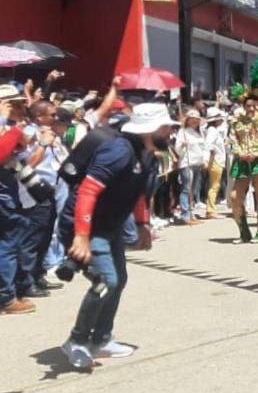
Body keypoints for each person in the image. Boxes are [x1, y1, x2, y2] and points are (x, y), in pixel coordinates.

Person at [59, 103, 175, 368]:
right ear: (152, 129)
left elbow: (137, 193)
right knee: (105, 281)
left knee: (118, 279)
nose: (171, 132)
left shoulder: (146, 154)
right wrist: (81, 236)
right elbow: (88, 191)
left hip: (108, 227)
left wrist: (143, 224)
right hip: (85, 227)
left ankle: (100, 340)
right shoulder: (118, 151)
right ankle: (76, 341)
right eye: (167, 126)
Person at [15, 101, 64, 297]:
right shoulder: (29, 135)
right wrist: (42, 145)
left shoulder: (51, 134)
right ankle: (25, 283)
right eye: (51, 115)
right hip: (32, 194)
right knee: (32, 239)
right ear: (39, 117)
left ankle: (38, 275)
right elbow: (27, 165)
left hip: (49, 192)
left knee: (45, 237)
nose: (56, 118)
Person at [0, 85, 37, 315]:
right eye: (13, 103)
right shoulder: (6, 126)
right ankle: (6, 298)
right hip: (4, 192)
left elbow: (23, 150)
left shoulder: (12, 128)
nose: (20, 107)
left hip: (13, 187)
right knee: (8, 245)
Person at [228, 95, 258, 243]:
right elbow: (232, 139)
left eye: (253, 105)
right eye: (248, 105)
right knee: (234, 196)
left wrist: (256, 153)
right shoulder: (237, 122)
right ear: (244, 106)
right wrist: (240, 153)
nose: (251, 108)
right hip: (242, 160)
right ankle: (244, 231)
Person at [175, 109, 206, 225]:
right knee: (186, 189)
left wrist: (204, 160)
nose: (194, 122)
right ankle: (185, 215)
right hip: (187, 163)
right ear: (188, 121)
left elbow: (203, 148)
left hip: (198, 164)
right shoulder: (182, 132)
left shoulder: (199, 133)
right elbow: (178, 150)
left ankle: (191, 213)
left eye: (196, 120)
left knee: (193, 190)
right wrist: (182, 145)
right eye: (192, 120)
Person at [204, 107, 227, 219]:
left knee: (214, 185)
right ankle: (210, 210)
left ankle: (211, 209)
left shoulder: (213, 130)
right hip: (215, 160)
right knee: (214, 186)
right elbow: (208, 144)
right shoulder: (212, 131)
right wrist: (213, 153)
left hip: (217, 160)